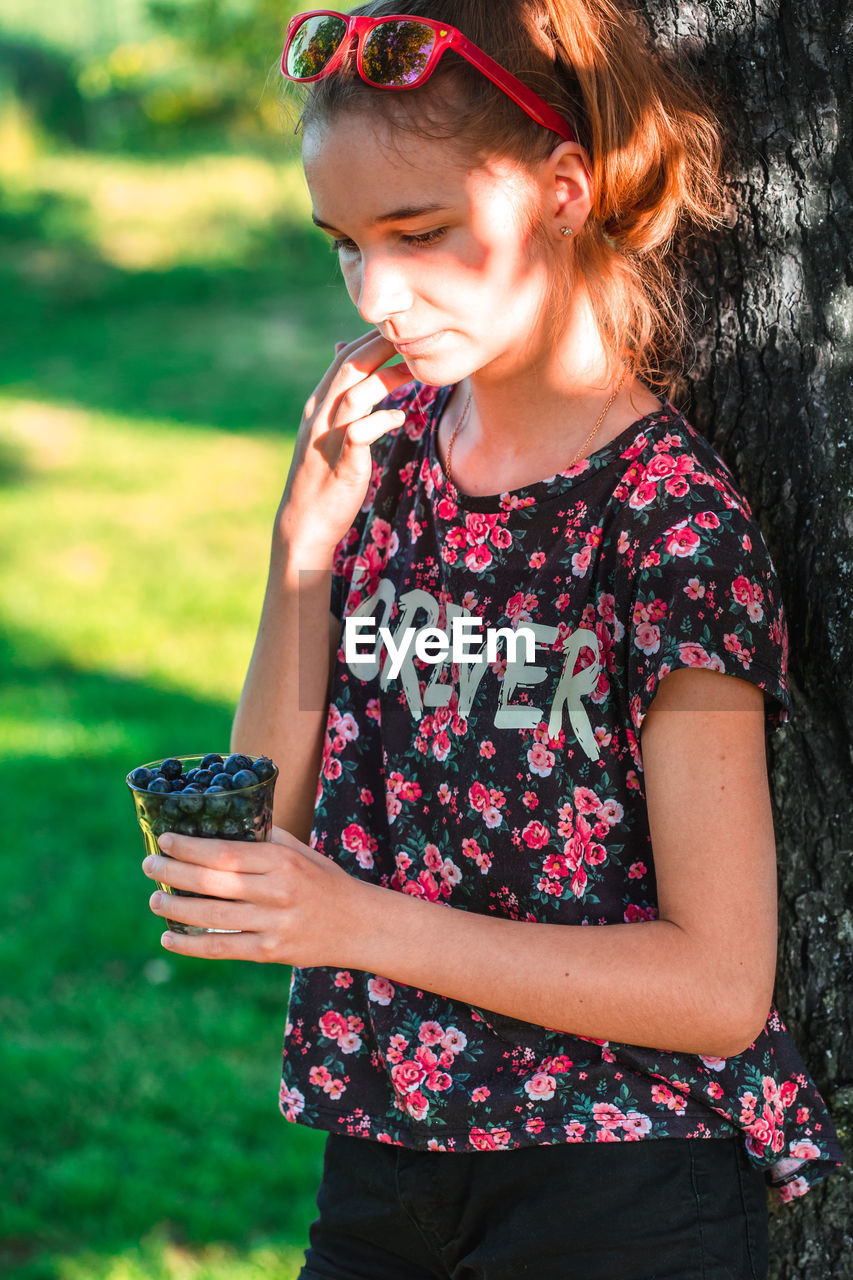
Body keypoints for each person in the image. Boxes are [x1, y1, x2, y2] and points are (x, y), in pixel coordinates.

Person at [141, 3, 844, 1276]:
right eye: (346, 246)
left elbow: (719, 986)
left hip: (618, 1179)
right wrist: (302, 556)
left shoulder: (669, 525)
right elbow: (268, 825)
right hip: (384, 1159)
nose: (378, 294)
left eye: (421, 235)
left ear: (564, 189)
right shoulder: (383, 459)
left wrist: (354, 923)